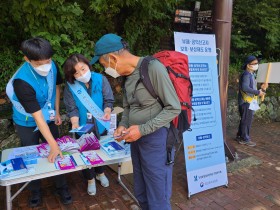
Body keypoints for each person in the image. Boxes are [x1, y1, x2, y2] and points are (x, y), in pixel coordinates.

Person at [90, 33, 181, 210]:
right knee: (140, 190)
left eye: (103, 64)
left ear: (113, 58)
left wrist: (142, 129)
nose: (104, 69)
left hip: (156, 139)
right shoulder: (127, 76)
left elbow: (173, 107)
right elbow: (128, 108)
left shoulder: (152, 68)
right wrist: (123, 125)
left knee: (157, 195)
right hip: (135, 140)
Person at [6, 37, 72, 207]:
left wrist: (57, 111)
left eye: (48, 61)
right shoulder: (21, 82)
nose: (45, 66)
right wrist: (53, 145)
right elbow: (37, 118)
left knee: (56, 150)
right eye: (39, 63)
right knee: (31, 154)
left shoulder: (52, 65)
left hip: (48, 115)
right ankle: (35, 189)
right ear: (27, 59)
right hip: (27, 121)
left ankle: (61, 186)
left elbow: (57, 88)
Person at [63, 53, 114, 195]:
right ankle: (90, 179)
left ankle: (101, 172)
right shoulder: (70, 86)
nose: (81, 74)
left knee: (100, 150)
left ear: (88, 65)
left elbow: (108, 99)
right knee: (86, 152)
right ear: (72, 75)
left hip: (101, 123)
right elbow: (71, 107)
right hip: (83, 126)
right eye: (76, 73)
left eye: (83, 69)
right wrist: (74, 122)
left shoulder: (100, 79)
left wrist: (108, 110)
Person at [236, 55, 266, 147]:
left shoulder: (251, 75)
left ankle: (240, 136)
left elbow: (252, 87)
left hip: (248, 101)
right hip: (246, 102)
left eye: (257, 63)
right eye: (255, 63)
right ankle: (245, 139)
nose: (257, 65)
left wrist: (262, 89)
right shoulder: (246, 75)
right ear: (248, 65)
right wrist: (258, 92)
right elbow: (245, 87)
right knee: (246, 121)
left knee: (245, 120)